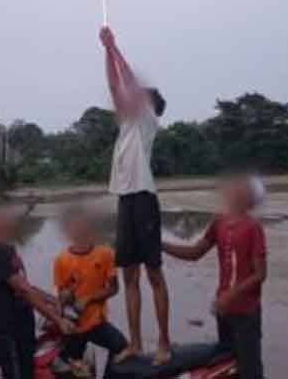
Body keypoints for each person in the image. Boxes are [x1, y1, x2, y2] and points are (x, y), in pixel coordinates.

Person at [98, 25, 172, 365]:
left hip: (144, 198)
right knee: (129, 275)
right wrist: (105, 51)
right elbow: (116, 85)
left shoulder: (148, 121)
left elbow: (126, 80)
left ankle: (164, 344)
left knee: (153, 274)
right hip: (126, 200)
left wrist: (115, 47)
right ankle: (137, 343)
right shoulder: (127, 123)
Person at [162, 174, 268, 379]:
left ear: (248, 198)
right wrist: (161, 245)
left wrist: (230, 296)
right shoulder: (219, 223)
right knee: (227, 363)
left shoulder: (253, 227)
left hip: (246, 313)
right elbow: (195, 253)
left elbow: (260, 274)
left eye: (239, 189)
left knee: (251, 371)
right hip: (224, 311)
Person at [0, 202, 76, 379]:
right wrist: (57, 319)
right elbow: (24, 290)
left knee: (28, 373)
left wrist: (53, 300)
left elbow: (26, 286)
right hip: (8, 333)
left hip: (23, 329)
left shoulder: (9, 250)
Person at [52, 204, 129, 377]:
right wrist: (62, 311)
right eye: (74, 226)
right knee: (75, 367)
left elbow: (114, 288)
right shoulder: (61, 260)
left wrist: (89, 298)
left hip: (97, 323)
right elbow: (59, 295)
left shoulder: (105, 254)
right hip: (74, 327)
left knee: (123, 349)